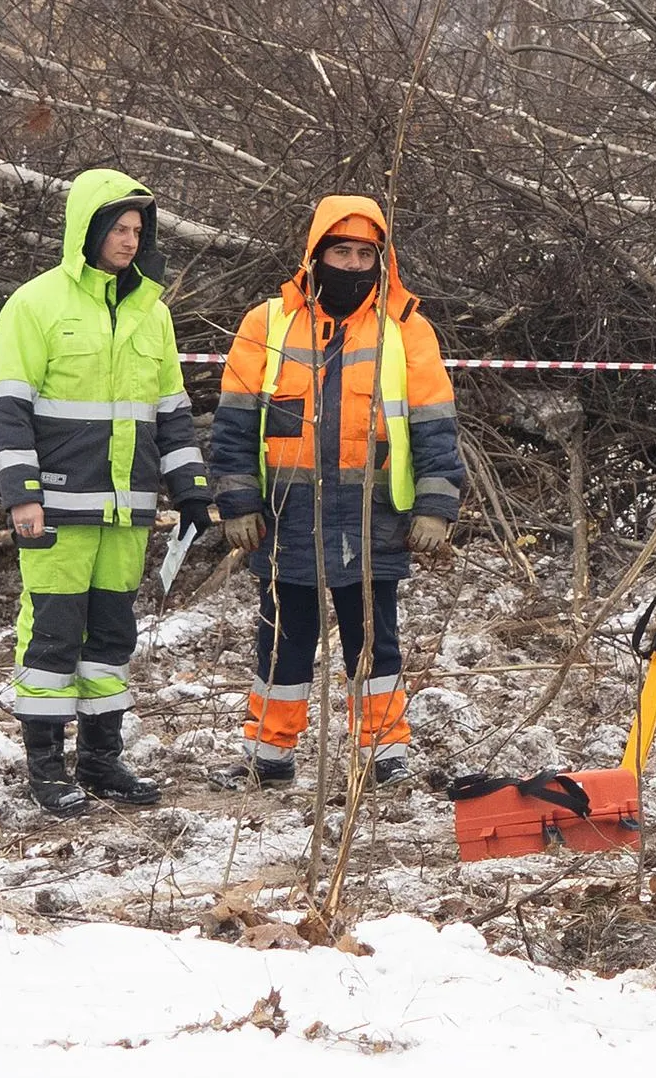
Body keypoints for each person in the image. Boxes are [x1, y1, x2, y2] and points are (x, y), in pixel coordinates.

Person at [207, 196, 465, 790]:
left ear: (382, 259)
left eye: (364, 253)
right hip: (284, 514)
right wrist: (238, 501)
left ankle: (384, 754)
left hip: (373, 513)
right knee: (282, 636)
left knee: (374, 638)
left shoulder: (406, 328)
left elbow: (433, 424)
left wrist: (435, 505)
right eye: (340, 251)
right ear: (315, 255)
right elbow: (236, 423)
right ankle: (269, 755)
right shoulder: (265, 324)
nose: (352, 264)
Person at [0, 168, 214, 813]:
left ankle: (99, 762)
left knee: (112, 639)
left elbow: (170, 410)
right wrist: (22, 495)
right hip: (57, 506)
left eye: (138, 231)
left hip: (128, 510)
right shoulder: (35, 305)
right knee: (53, 637)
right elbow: (10, 412)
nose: (129, 241)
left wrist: (190, 489)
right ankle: (45, 770)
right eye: (118, 228)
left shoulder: (153, 312)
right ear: (86, 229)